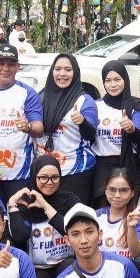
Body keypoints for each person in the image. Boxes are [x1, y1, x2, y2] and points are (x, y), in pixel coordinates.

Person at [7, 155, 81, 278]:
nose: (49, 182)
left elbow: (73, 231)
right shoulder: (24, 202)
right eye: (43, 178)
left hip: (66, 260)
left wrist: (46, 206)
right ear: (34, 177)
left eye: (55, 177)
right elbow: (20, 236)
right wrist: (12, 204)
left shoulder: (70, 200)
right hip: (38, 266)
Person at [0, 43, 45, 201]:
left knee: (19, 214)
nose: (6, 68)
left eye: (11, 64)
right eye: (0, 63)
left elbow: (39, 129)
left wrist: (28, 127)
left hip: (20, 173)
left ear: (18, 67)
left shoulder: (28, 93)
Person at [37, 53, 99, 199]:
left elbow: (91, 135)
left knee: (74, 213)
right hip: (44, 172)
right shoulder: (40, 97)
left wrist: (82, 122)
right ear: (52, 71)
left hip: (75, 170)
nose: (62, 74)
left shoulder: (84, 100)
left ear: (75, 72)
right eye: (58, 69)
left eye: (68, 70)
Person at [91, 61, 140, 204]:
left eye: (117, 79)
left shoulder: (135, 104)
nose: (113, 85)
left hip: (128, 164)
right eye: (108, 80)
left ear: (125, 80)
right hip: (101, 166)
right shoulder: (96, 105)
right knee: (102, 208)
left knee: (125, 208)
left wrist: (131, 128)